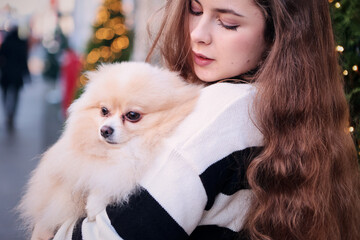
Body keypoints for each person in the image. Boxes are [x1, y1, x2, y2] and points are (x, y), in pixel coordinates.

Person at [53, 0, 360, 239]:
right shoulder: (304, 118)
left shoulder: (221, 110)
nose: (198, 34)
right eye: (195, 10)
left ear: (279, 35)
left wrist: (54, 233)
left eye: (227, 23)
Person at [0, 26, 30, 130]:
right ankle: (12, 113)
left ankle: (7, 112)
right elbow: (24, 61)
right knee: (16, 96)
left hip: (6, 75)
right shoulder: (21, 44)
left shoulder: (6, 44)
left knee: (5, 94)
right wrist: (27, 74)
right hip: (17, 75)